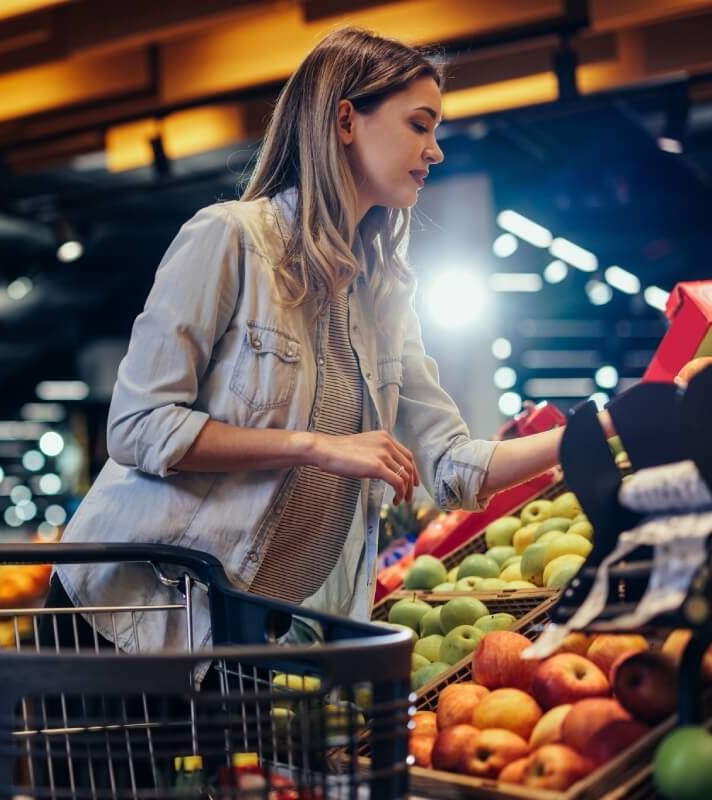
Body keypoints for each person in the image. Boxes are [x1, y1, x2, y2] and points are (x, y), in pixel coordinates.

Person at [52, 27, 611, 656]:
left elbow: (453, 469)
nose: (436, 152)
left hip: (244, 640)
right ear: (346, 120)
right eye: (419, 125)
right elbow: (138, 427)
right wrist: (315, 447)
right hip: (127, 617)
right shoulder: (231, 241)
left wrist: (604, 427)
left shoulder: (385, 296)